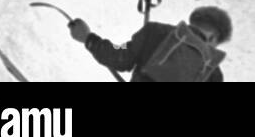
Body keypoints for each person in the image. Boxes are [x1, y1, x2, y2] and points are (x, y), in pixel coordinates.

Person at [67, 6, 232, 82]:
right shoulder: (213, 71)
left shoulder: (155, 31)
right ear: (214, 38)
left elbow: (119, 56)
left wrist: (89, 39)